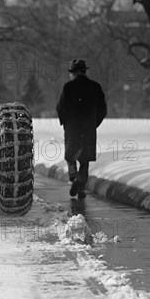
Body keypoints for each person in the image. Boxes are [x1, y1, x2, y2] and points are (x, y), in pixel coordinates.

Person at [56, 59, 107, 200]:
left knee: (71, 155)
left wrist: (65, 121)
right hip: (89, 128)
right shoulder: (96, 87)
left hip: (72, 128)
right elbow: (103, 109)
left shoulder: (68, 87)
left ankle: (73, 176)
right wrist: (94, 123)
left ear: (75, 73)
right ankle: (81, 184)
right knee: (84, 160)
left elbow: (60, 107)